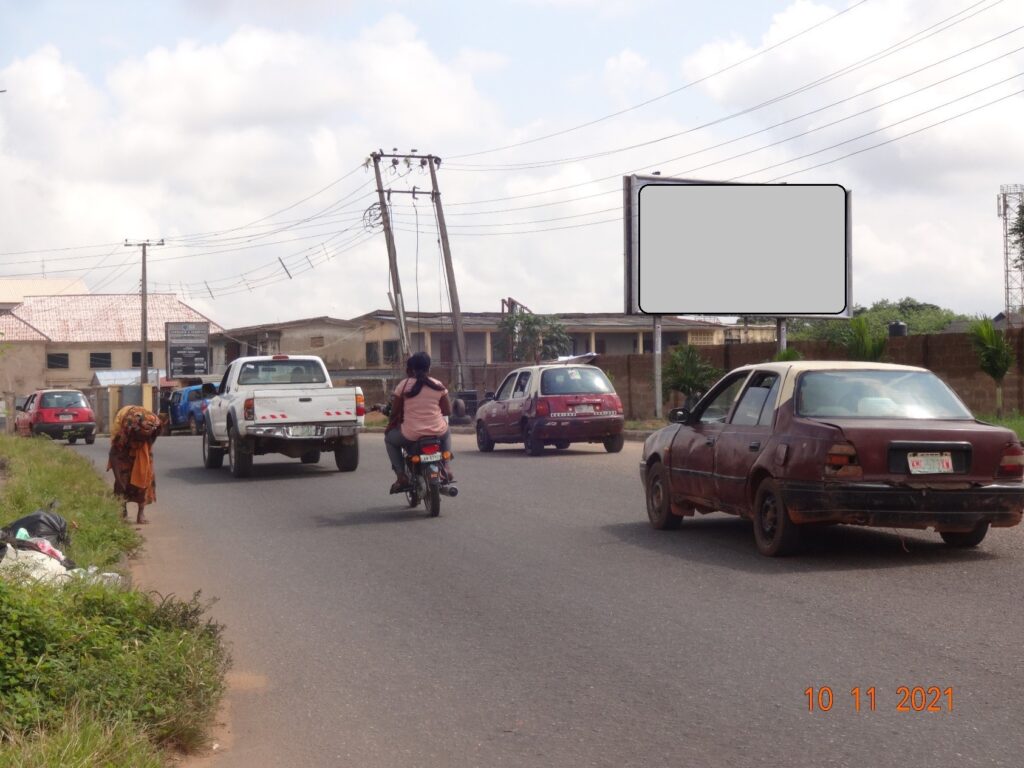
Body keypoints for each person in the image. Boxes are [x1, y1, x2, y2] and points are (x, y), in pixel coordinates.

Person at [385, 352, 453, 493]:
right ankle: (446, 467)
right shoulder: (438, 385)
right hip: (437, 432)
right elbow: (447, 411)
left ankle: (401, 476)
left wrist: (391, 425)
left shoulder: (403, 386)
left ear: (412, 369)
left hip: (410, 434)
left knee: (389, 440)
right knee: (447, 431)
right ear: (429, 368)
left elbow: (395, 412)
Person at [106, 405, 161, 524]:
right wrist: (118, 477)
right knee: (122, 480)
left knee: (145, 477)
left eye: (147, 435)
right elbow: (114, 454)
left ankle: (141, 513)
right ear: (135, 431)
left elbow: (151, 440)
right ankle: (122, 510)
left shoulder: (154, 427)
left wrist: (145, 441)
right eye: (142, 436)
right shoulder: (126, 431)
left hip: (141, 449)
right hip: (125, 449)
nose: (144, 438)